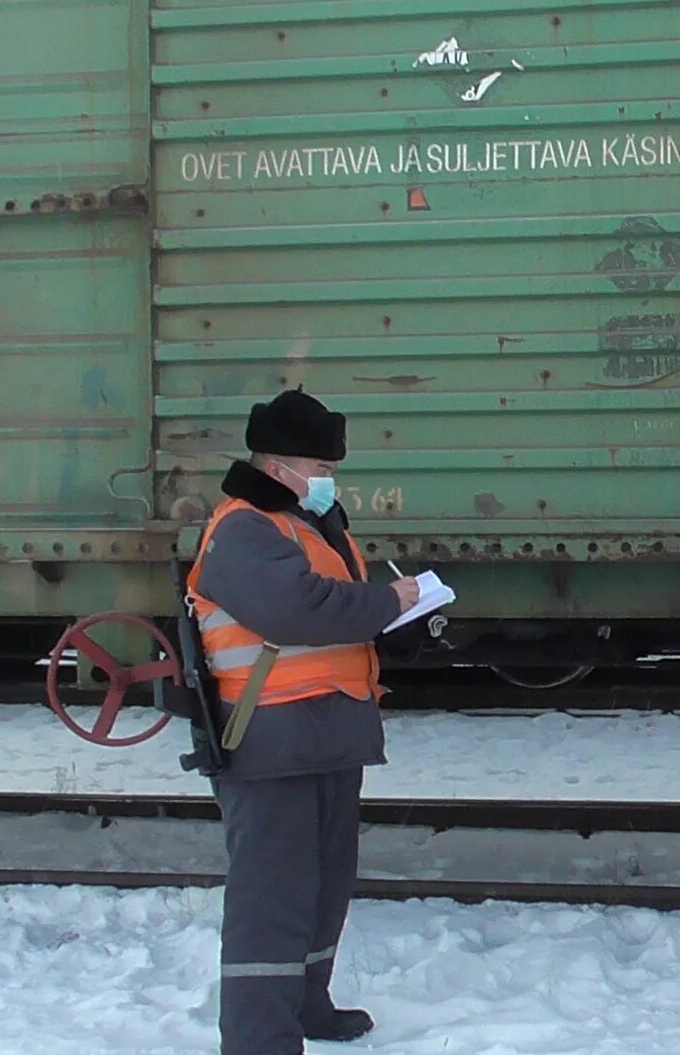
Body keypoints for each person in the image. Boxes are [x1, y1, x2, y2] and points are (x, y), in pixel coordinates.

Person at [184, 388, 420, 1055]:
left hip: (327, 733)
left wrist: (397, 624)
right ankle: (261, 1038)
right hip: (269, 734)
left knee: (322, 885)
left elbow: (337, 614)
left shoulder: (311, 523)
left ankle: (308, 1005)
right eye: (318, 467)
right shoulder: (244, 528)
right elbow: (294, 609)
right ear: (279, 465)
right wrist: (382, 603)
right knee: (273, 897)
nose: (326, 479)